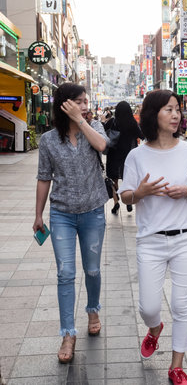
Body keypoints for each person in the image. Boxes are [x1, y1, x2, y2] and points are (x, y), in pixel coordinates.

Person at [118, 90, 187, 385]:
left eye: (178, 110)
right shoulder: (136, 154)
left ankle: (176, 365)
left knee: (183, 306)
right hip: (151, 241)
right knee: (149, 307)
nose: (176, 115)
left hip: (186, 239)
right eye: (169, 109)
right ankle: (154, 329)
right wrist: (140, 193)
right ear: (153, 114)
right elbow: (125, 196)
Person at [33, 82, 109, 364]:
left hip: (93, 211)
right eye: (80, 101)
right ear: (65, 104)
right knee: (65, 274)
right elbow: (44, 178)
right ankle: (68, 333)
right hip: (62, 214)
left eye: (87, 100)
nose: (86, 105)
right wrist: (38, 214)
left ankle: (92, 309)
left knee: (91, 269)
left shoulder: (95, 128)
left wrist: (81, 120)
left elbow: (102, 146)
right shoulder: (49, 140)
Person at [104, 101, 144, 214]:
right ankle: (128, 202)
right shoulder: (132, 122)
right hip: (128, 156)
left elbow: (103, 132)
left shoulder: (112, 121)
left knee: (113, 180)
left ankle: (116, 202)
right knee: (127, 179)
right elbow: (142, 135)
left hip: (113, 154)